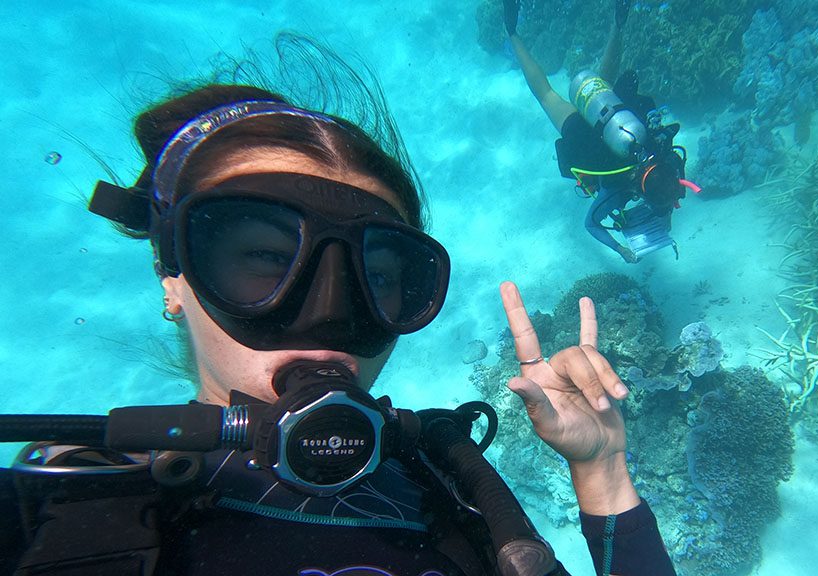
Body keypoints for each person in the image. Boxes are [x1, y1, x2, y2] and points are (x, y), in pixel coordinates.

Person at [0, 51, 676, 575]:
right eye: (267, 257)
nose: (329, 315)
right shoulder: (57, 504)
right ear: (174, 275)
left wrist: (603, 471)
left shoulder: (455, 492)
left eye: (377, 274)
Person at [503, 0, 698, 263]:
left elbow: (667, 188)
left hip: (616, 120)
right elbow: (591, 224)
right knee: (547, 95)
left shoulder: (661, 155)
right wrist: (622, 250)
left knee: (602, 90)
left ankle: (617, 24)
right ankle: (512, 32)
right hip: (586, 142)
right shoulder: (620, 187)